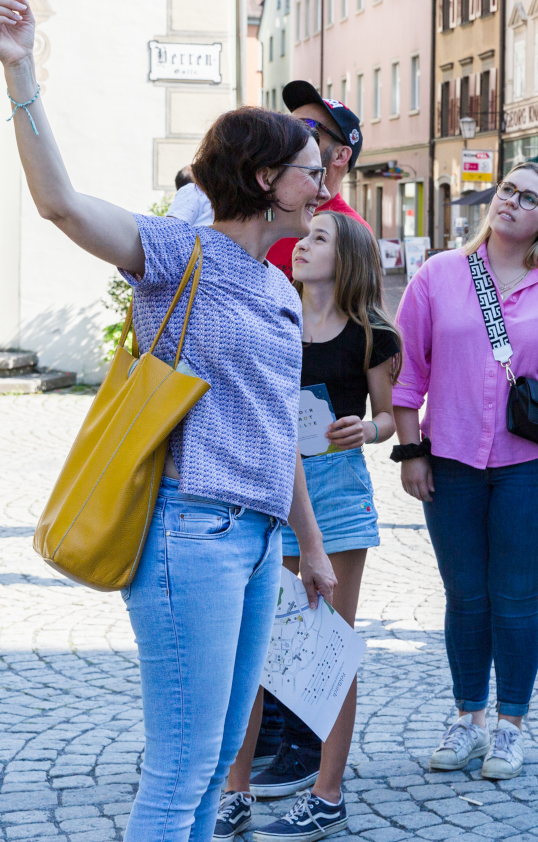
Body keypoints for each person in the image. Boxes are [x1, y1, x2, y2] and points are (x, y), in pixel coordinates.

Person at [0, 0, 337, 842]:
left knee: (212, 769)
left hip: (254, 545)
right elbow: (59, 204)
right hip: (189, 534)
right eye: (310, 174)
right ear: (263, 177)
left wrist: (308, 547)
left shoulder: (280, 290)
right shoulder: (180, 254)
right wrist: (20, 73)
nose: (323, 188)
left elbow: (277, 427)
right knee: (179, 772)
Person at [392, 161, 538, 781]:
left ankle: (511, 727)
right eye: (507, 189)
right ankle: (467, 719)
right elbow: (409, 374)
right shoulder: (439, 275)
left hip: (530, 469)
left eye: (528, 198)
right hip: (451, 462)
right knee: (465, 597)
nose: (511, 201)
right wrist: (411, 452)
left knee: (514, 600)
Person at [215, 212, 400, 840]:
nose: (301, 246)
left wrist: (367, 429)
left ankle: (328, 793)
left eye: (318, 239)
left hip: (339, 502)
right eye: (304, 236)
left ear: (346, 256)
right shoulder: (275, 314)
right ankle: (234, 789)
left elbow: (392, 416)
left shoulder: (373, 333)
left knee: (329, 647)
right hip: (268, 498)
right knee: (256, 648)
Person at [268, 80, 370, 279]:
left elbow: (355, 306)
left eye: (307, 127)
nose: (289, 136)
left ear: (340, 156)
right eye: (289, 125)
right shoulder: (266, 212)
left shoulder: (351, 232)